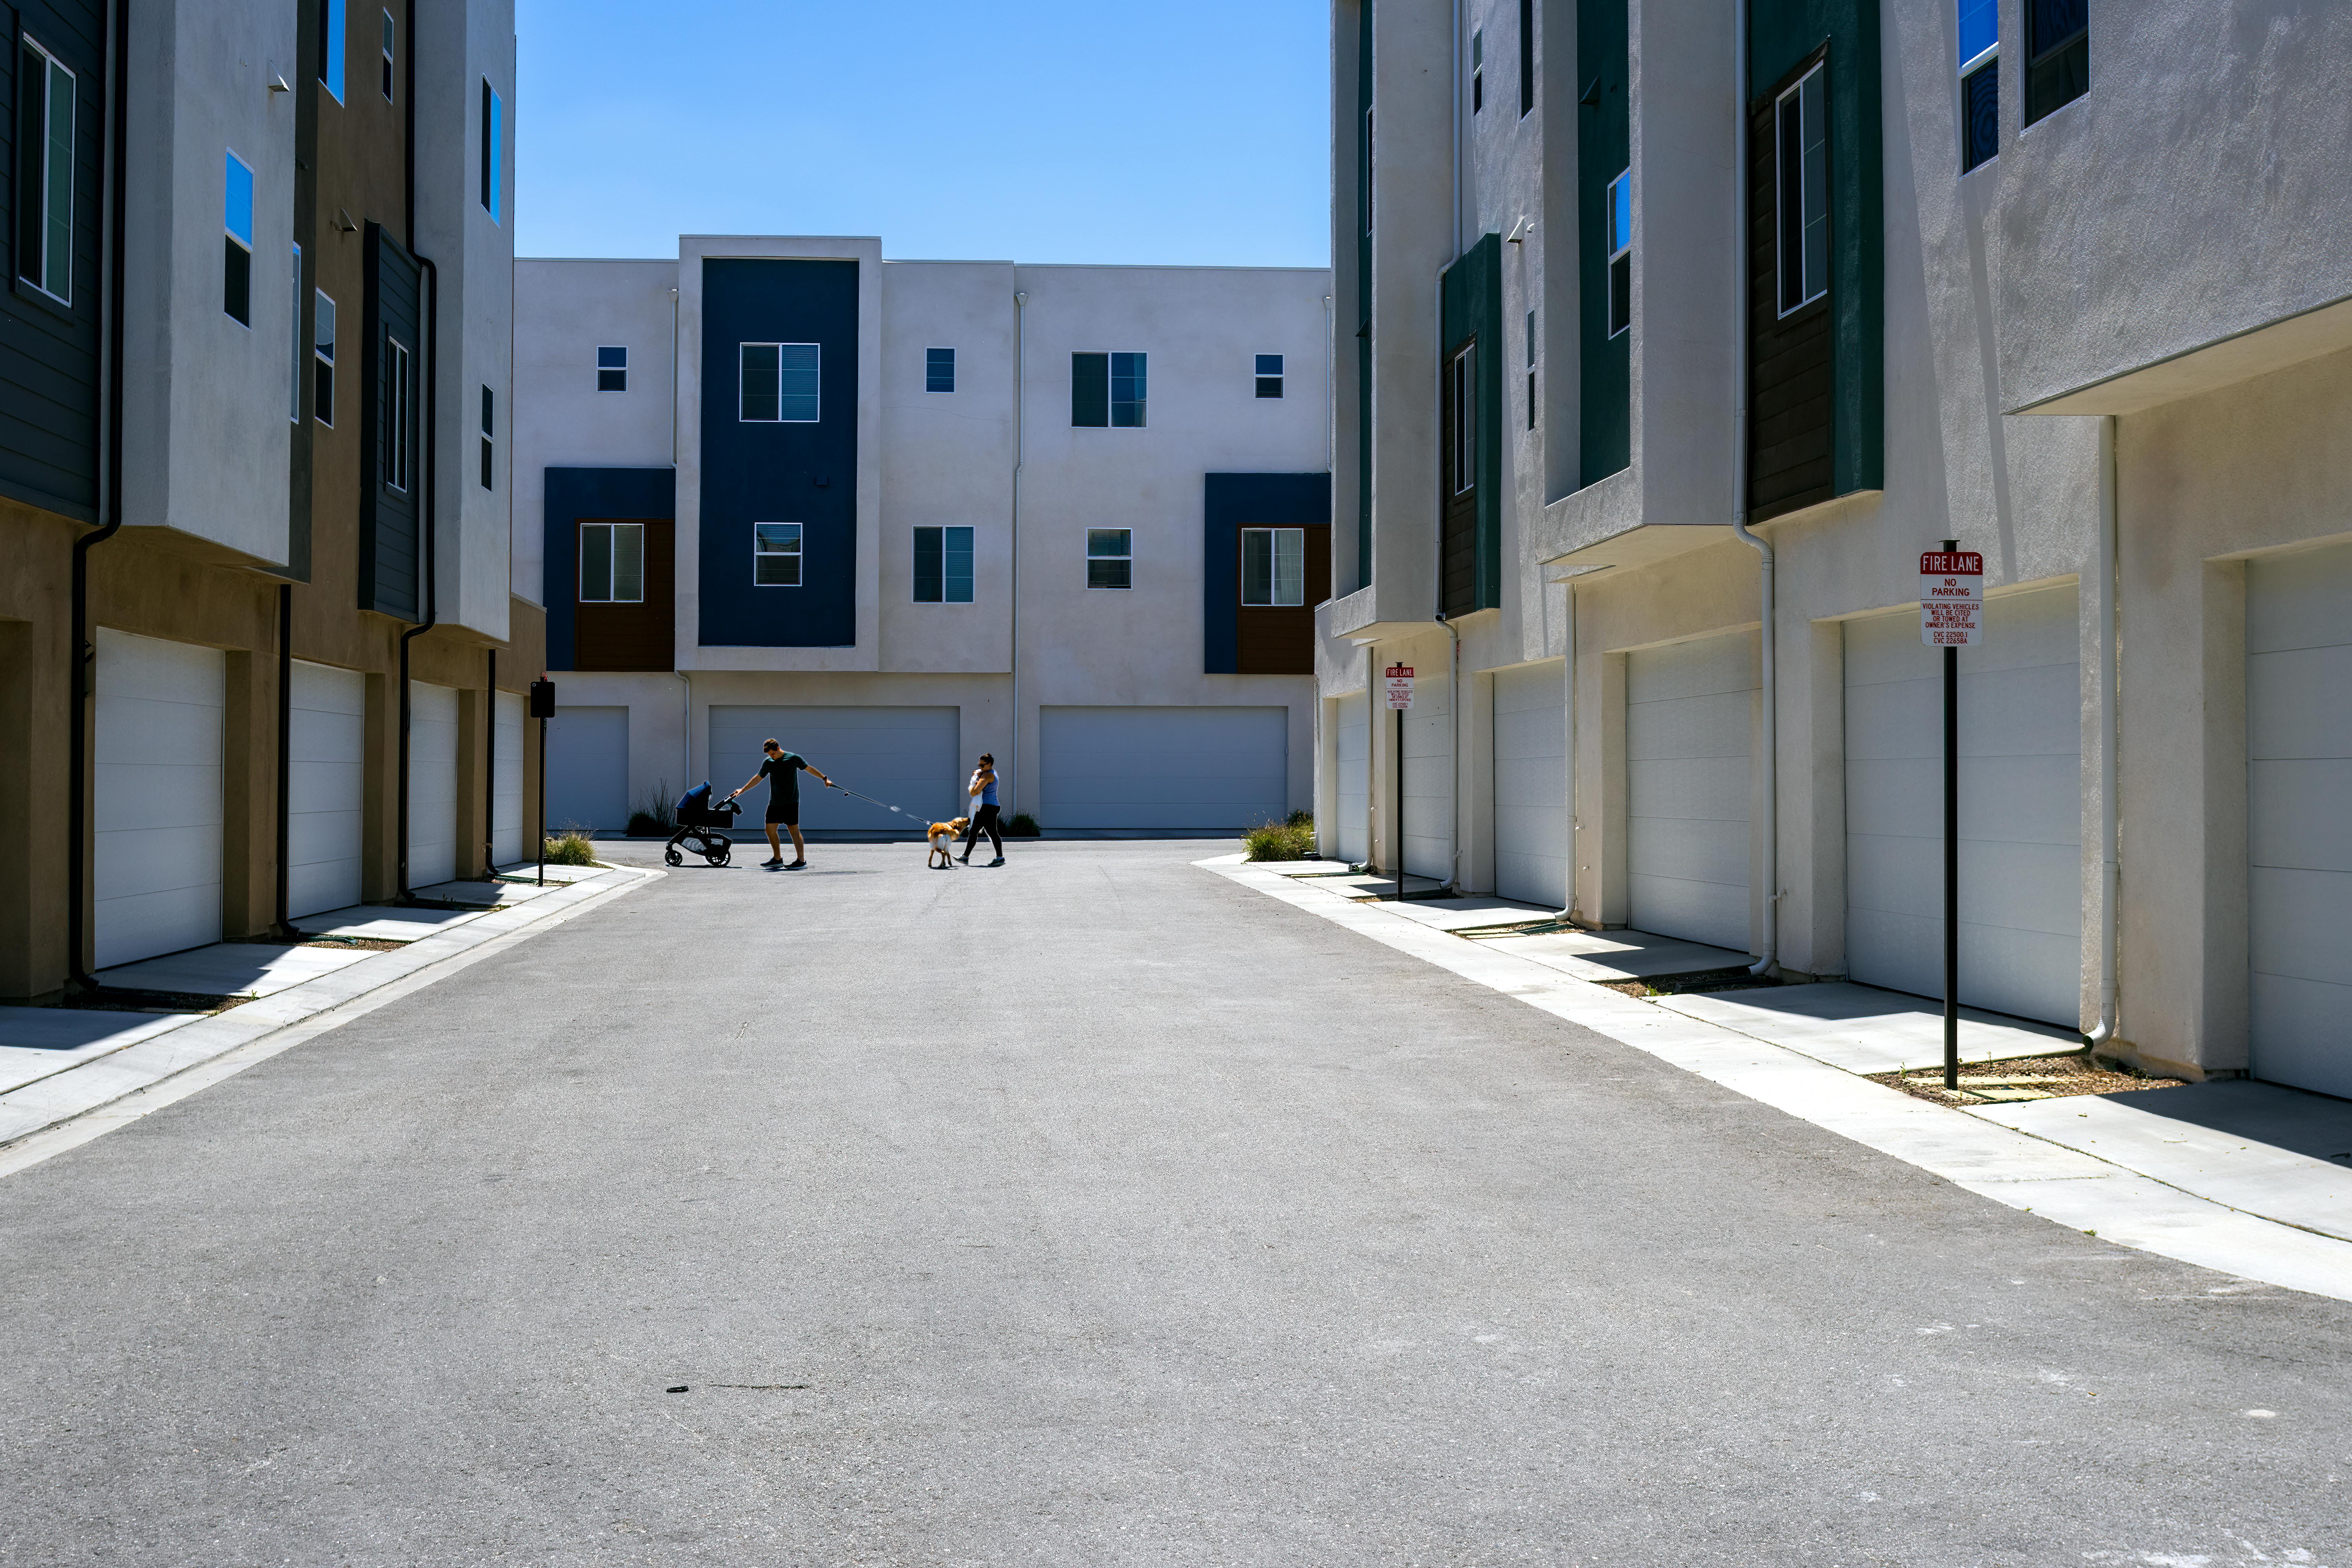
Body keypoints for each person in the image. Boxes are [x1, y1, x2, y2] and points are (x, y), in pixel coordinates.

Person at [729, 738, 834, 869]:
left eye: (773, 754)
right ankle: (777, 859)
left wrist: (825, 779)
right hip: (775, 803)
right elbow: (758, 778)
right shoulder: (768, 763)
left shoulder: (793, 758)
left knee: (794, 830)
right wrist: (743, 790)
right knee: (769, 829)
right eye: (769, 755)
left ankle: (801, 861)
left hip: (791, 802)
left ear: (778, 749)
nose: (771, 757)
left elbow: (809, 769)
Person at [960, 751, 1005, 866]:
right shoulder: (989, 773)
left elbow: (975, 792)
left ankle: (965, 857)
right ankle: (1000, 858)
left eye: (982, 765)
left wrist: (972, 787)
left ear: (989, 764)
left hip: (987, 808)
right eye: (979, 765)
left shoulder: (988, 775)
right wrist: (979, 774)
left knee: (974, 831)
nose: (980, 767)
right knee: (992, 833)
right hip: (991, 806)